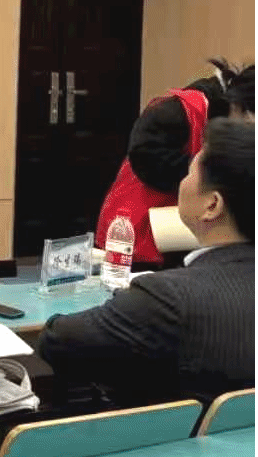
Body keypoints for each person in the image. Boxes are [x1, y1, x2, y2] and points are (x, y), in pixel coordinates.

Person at [40, 118, 254, 408]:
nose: (181, 183)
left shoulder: (166, 299)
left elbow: (57, 341)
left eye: (189, 172)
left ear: (212, 205)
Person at [97, 60, 255, 267]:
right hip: (143, 229)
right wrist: (215, 170)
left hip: (192, 231)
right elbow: (145, 157)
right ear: (241, 106)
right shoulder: (181, 109)